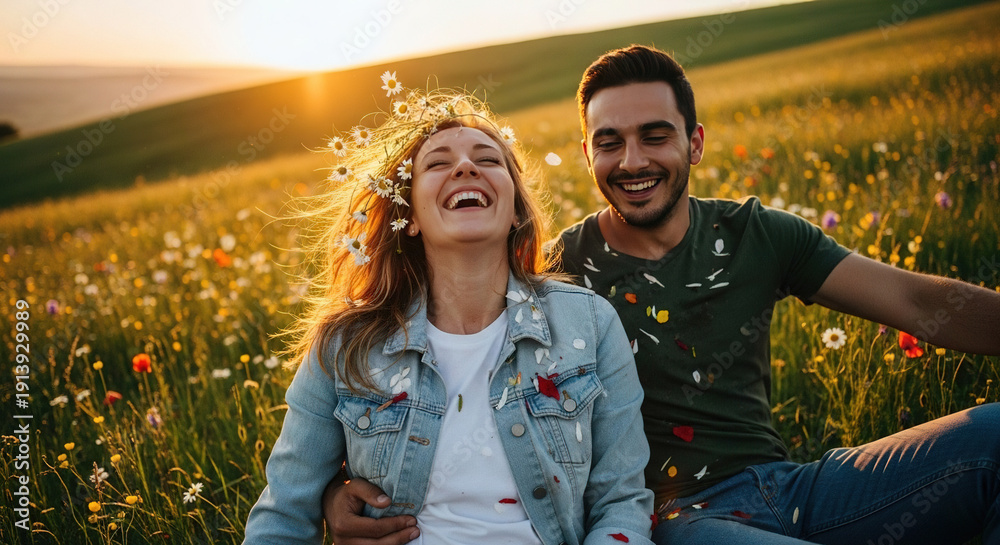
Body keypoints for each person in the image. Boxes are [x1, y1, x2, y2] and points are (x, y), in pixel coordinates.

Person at [322, 46, 1000, 544]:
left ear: (694, 143)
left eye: (655, 135)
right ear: (587, 154)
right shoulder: (554, 273)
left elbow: (918, 303)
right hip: (673, 520)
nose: (633, 161)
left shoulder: (757, 235)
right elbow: (440, 375)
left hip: (793, 488)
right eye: (609, 142)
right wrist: (332, 486)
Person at [243, 83, 655, 544]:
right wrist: (329, 497)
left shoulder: (590, 325)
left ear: (516, 208)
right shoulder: (344, 345)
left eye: (488, 159)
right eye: (438, 163)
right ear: (410, 216)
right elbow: (283, 515)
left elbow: (621, 504)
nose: (464, 167)